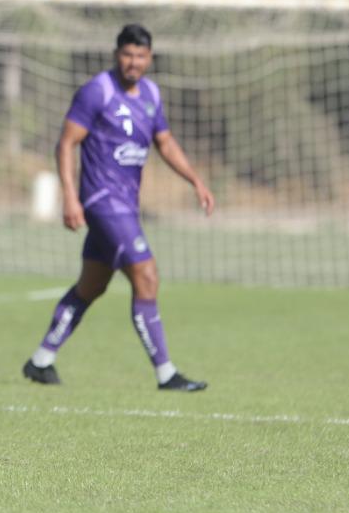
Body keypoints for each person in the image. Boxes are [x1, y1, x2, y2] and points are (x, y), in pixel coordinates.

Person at [22, 24, 213, 391]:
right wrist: (70, 196)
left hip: (126, 204)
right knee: (147, 276)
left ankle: (41, 361)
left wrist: (196, 180)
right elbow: (65, 144)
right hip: (102, 202)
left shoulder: (152, 95)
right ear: (116, 55)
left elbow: (166, 142)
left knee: (91, 286)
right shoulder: (98, 91)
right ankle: (166, 374)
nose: (133, 62)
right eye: (127, 54)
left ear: (150, 58)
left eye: (140, 56)